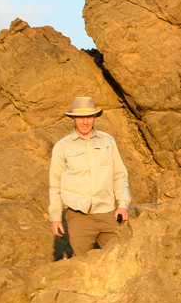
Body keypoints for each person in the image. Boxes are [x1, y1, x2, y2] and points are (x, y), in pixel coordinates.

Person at [49, 96, 131, 257]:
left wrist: (123, 204)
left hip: (108, 213)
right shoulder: (62, 146)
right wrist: (56, 218)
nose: (85, 122)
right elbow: (55, 185)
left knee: (121, 258)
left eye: (89, 117)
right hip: (79, 217)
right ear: (73, 119)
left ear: (94, 117)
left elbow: (119, 175)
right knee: (82, 265)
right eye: (80, 117)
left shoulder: (108, 141)